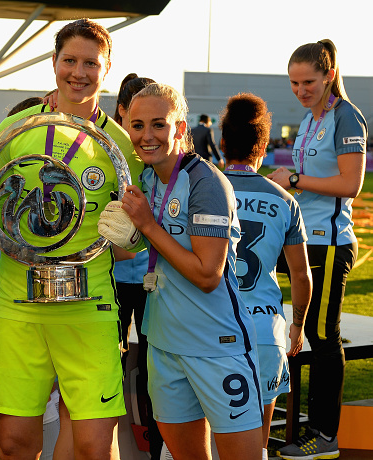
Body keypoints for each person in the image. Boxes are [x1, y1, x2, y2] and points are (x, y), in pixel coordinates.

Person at [0, 18, 144, 460]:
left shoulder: (120, 143)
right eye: (69, 60)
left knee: (95, 446)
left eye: (90, 63)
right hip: (17, 305)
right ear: (54, 62)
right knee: (15, 442)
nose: (78, 72)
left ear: (108, 67)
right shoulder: (17, 127)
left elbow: (134, 237)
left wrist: (134, 237)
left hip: (89, 307)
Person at [100, 82, 263, 460]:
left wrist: (148, 225)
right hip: (162, 345)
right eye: (137, 126)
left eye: (159, 124)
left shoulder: (205, 182)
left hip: (215, 347)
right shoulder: (143, 179)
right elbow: (131, 252)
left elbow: (208, 274)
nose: (146, 136)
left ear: (180, 127)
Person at [268, 40, 367, 460]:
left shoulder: (346, 116)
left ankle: (325, 438)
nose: (300, 90)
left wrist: (293, 181)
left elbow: (350, 185)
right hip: (302, 240)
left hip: (329, 246)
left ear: (328, 75)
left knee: (322, 337)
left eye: (308, 81)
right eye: (293, 83)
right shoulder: (313, 118)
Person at [220, 92, 312, 460]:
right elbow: (301, 276)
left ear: (223, 143)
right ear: (263, 146)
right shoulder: (285, 200)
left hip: (209, 326)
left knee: (199, 438)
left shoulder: (199, 187)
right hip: (263, 330)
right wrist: (298, 324)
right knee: (255, 443)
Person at [112, 72, 164, 460]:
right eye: (135, 121)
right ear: (121, 114)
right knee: (111, 360)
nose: (144, 133)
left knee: (152, 363)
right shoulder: (106, 153)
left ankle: (155, 444)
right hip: (113, 276)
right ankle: (109, 441)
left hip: (151, 278)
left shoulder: (159, 161)